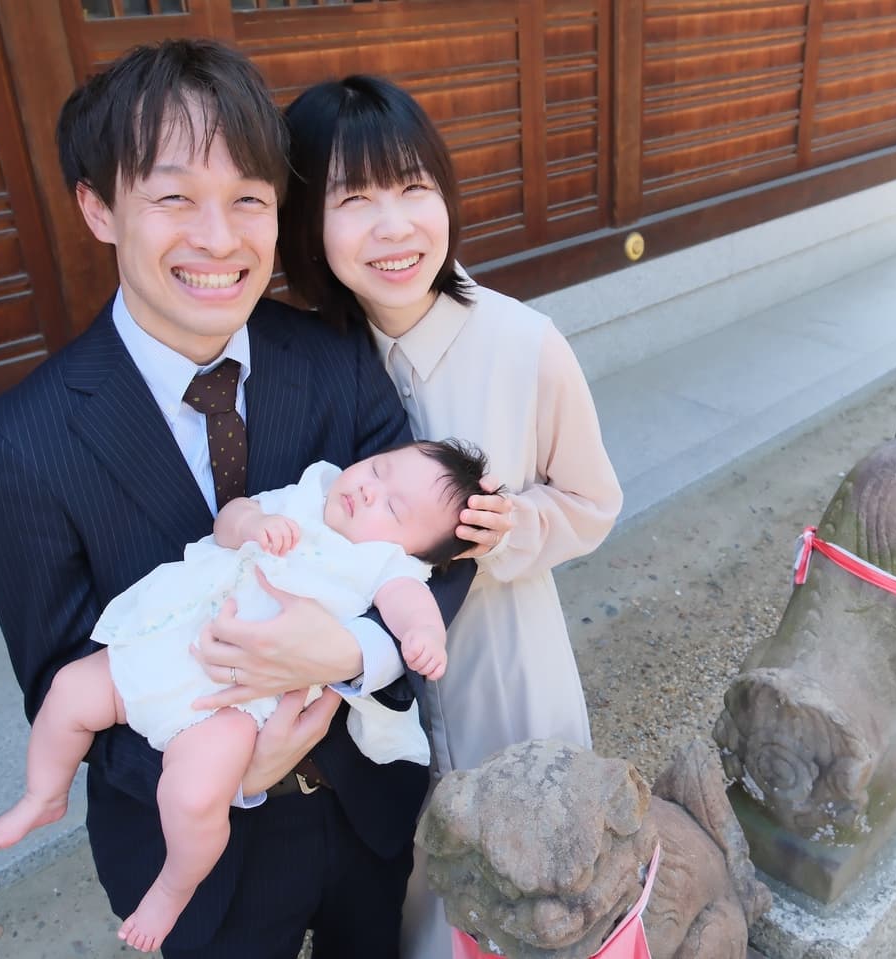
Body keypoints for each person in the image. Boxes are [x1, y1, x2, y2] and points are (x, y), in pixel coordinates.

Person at [0, 41, 475, 959]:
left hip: (368, 808)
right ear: (98, 208)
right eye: (173, 198)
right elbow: (62, 681)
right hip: (195, 856)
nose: (219, 237)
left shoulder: (332, 353)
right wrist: (240, 770)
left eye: (249, 197)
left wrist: (356, 646)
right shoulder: (23, 443)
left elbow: (439, 543)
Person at [278, 74, 624, 958]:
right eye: (355, 198)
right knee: (402, 897)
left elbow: (593, 501)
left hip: (503, 662)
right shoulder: (307, 361)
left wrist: (514, 529)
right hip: (364, 698)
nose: (394, 228)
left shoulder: (524, 343)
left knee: (522, 885)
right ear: (306, 219)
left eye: (413, 189)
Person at [0, 439, 488, 952]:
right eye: (377, 470)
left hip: (230, 701)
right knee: (68, 690)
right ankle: (43, 794)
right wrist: (250, 525)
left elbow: (411, 606)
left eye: (394, 508)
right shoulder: (310, 492)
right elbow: (232, 517)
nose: (369, 491)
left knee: (195, 795)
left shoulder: (385, 566)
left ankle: (174, 887)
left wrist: (425, 637)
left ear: (413, 550)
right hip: (165, 643)